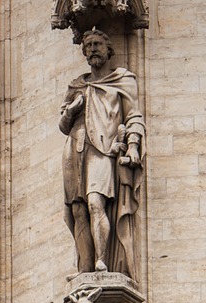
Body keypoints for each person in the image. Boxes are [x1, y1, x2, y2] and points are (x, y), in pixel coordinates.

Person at [60, 28, 145, 276]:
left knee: (96, 202)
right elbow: (63, 125)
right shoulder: (76, 86)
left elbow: (133, 116)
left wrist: (133, 144)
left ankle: (102, 261)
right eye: (88, 46)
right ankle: (85, 268)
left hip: (104, 149)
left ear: (109, 49)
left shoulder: (122, 80)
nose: (92, 50)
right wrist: (71, 110)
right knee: (78, 210)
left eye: (97, 44)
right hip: (75, 150)